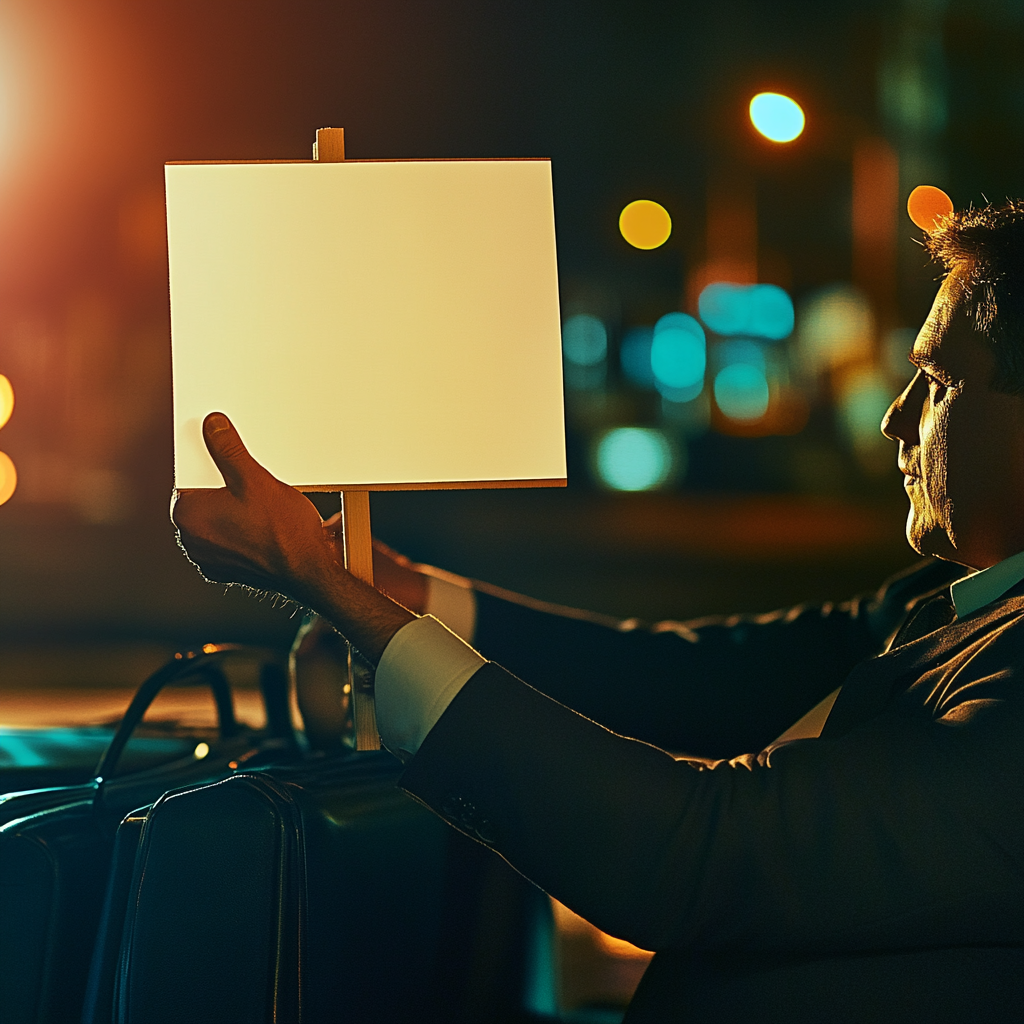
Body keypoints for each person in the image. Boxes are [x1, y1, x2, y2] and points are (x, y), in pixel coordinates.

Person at [172, 202, 1024, 1022]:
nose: (893, 418)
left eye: (940, 380)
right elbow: (692, 678)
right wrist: (415, 599)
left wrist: (339, 597)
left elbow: (698, 856)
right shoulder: (941, 603)